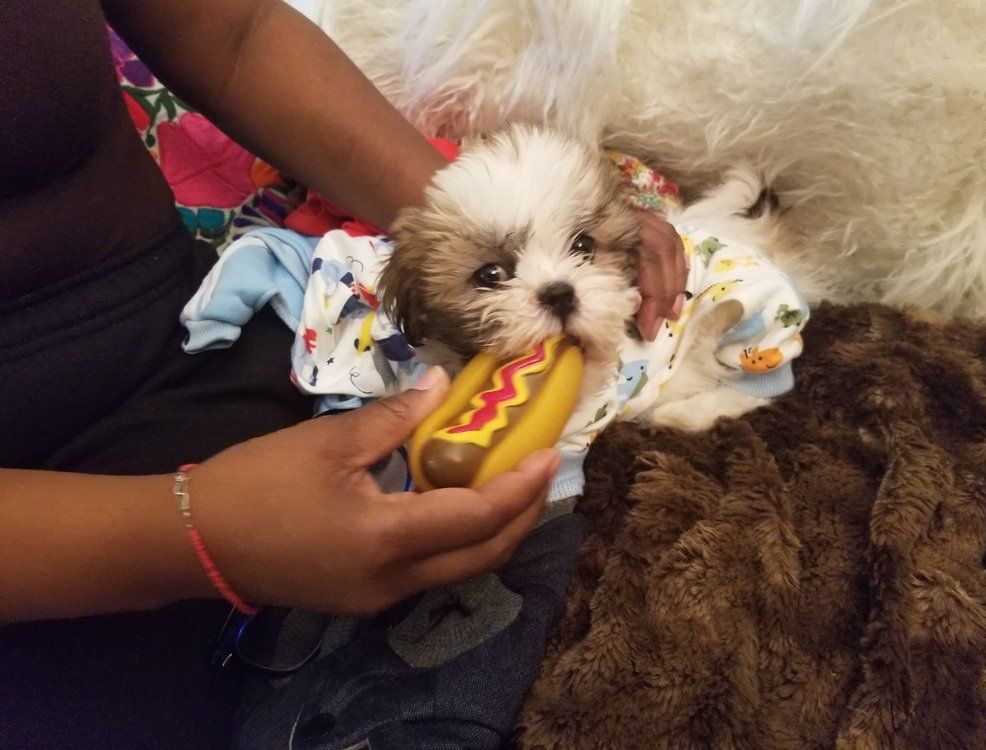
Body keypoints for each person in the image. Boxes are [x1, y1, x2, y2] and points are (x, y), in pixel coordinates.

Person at [0, 0, 688, 746]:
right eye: (494, 275)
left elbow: (238, 33)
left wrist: (462, 214)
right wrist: (197, 536)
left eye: (585, 245)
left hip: (188, 337)